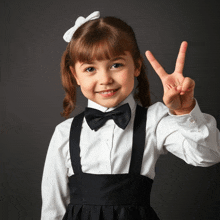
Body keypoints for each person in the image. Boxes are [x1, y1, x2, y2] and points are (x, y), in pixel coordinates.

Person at [41, 11, 220, 220]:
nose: (105, 79)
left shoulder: (155, 120)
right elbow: (52, 207)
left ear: (136, 65)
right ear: (75, 75)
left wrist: (184, 110)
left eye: (116, 65)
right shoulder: (64, 133)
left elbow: (208, 156)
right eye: (90, 68)